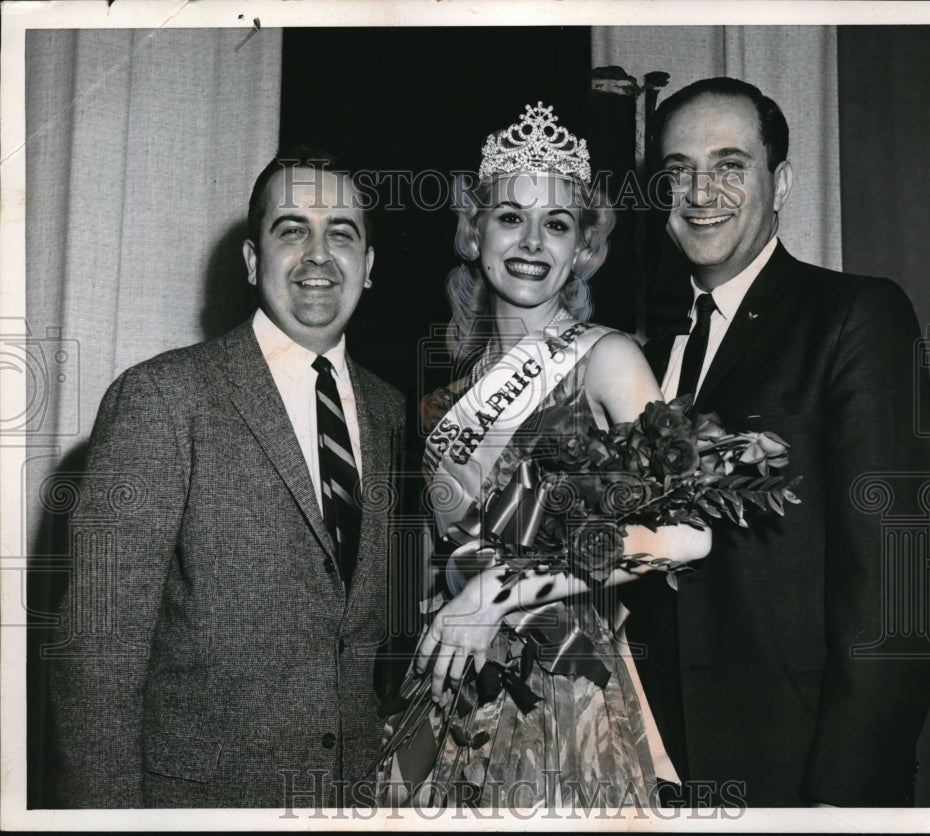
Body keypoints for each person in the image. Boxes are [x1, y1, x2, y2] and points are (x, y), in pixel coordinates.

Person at [48, 147, 406, 807]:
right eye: (292, 229)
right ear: (251, 261)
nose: (319, 254)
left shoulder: (390, 412)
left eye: (343, 234)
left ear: (370, 267)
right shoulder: (162, 398)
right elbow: (94, 657)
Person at [630, 77, 930, 806]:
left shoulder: (854, 318)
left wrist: (842, 799)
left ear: (783, 182)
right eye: (678, 170)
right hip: (661, 774)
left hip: (802, 771)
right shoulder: (648, 359)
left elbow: (899, 587)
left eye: (729, 165)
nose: (700, 191)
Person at [385, 103, 712, 809]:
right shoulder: (447, 403)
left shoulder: (609, 358)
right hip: (455, 685)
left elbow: (688, 532)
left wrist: (499, 593)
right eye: (510, 217)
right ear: (475, 233)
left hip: (567, 690)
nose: (533, 241)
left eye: (557, 224)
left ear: (582, 248)